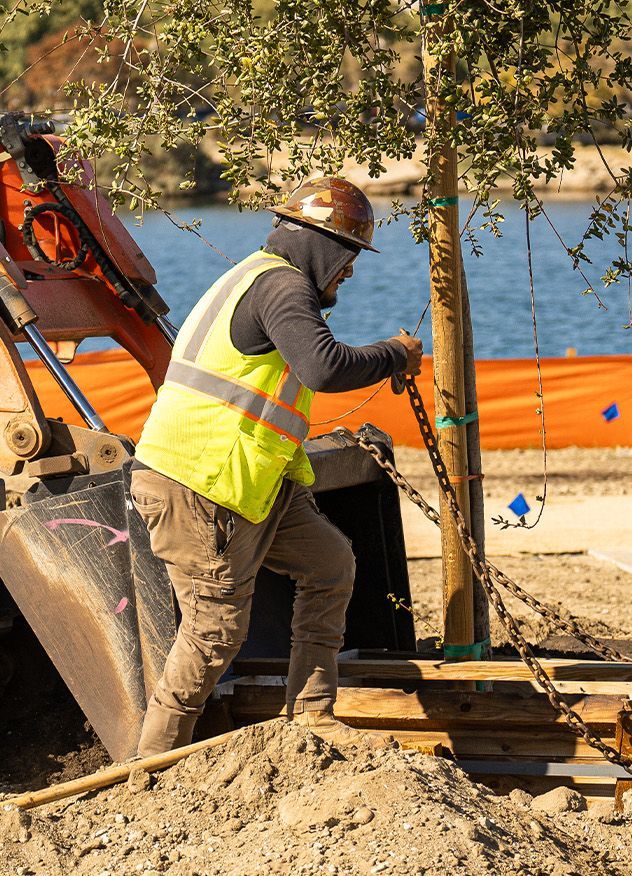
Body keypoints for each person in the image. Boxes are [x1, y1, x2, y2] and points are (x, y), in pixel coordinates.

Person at [129, 175, 422, 755]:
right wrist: (396, 353)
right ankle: (149, 767)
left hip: (249, 483)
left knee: (330, 562)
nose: (352, 271)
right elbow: (325, 369)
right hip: (202, 484)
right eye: (349, 256)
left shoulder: (259, 277)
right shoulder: (284, 288)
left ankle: (311, 714)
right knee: (214, 633)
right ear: (322, 246)